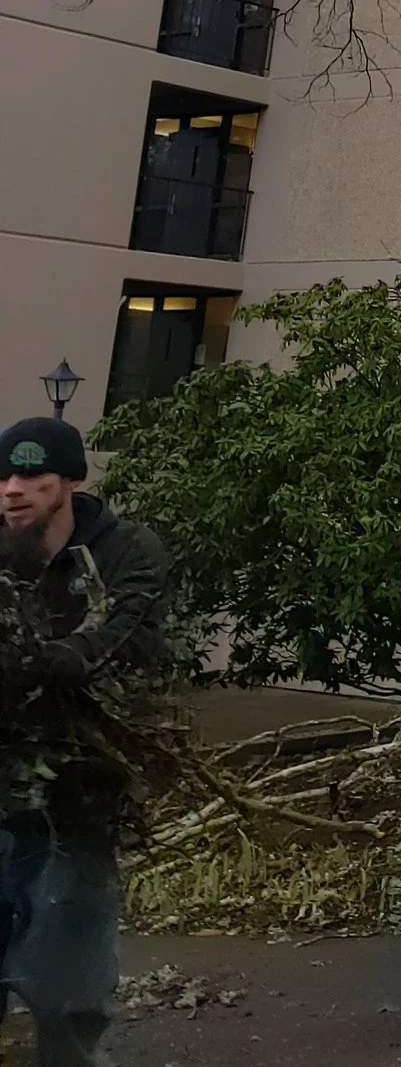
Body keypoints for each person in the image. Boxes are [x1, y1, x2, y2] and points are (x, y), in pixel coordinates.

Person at [0, 416, 169, 1067]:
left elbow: (127, 623)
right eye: (4, 476)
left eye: (32, 476)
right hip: (4, 779)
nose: (13, 489)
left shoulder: (123, 549)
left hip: (82, 789)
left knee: (66, 968)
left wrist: (71, 653)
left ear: (69, 479)